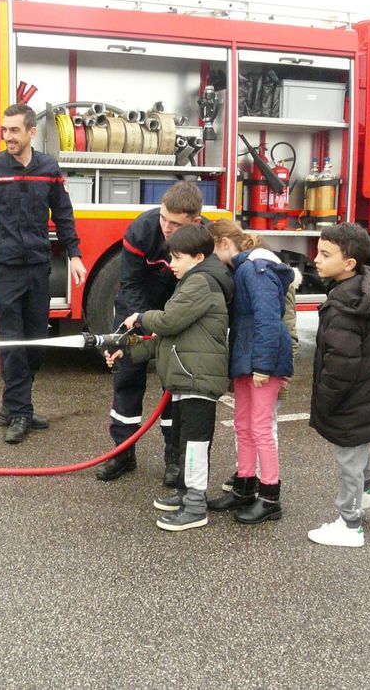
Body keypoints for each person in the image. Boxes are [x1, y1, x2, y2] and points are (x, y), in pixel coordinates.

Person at [0, 103, 87, 444]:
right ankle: (20, 412)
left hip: (37, 266)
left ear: (32, 132)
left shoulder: (48, 167)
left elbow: (63, 214)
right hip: (4, 268)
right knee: (14, 343)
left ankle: (12, 405)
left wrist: (75, 254)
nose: (8, 137)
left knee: (36, 343)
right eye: (5, 131)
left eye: (15, 130)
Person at [104, 225, 233, 531]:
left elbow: (168, 321)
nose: (170, 264)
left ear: (199, 256)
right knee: (182, 439)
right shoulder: (193, 279)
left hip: (197, 378)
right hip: (187, 375)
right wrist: (129, 352)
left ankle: (195, 506)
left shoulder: (200, 281)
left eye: (176, 257)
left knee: (195, 444)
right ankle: (186, 493)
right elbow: (170, 334)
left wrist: (141, 317)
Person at [95, 181, 205, 483]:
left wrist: (170, 323)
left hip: (178, 315)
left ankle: (173, 457)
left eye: (176, 223)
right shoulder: (141, 230)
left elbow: (204, 285)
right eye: (164, 218)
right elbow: (130, 285)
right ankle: (123, 452)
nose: (167, 227)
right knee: (127, 378)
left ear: (195, 222)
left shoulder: (202, 239)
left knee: (175, 384)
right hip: (136, 310)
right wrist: (145, 325)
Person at [307, 222, 370, 548]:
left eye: (325, 254)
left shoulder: (344, 309)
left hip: (351, 399)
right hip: (367, 394)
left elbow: (341, 367)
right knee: (360, 447)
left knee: (349, 459)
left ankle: (349, 524)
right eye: (318, 251)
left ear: (349, 264)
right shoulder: (365, 290)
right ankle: (368, 491)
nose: (316, 259)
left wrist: (325, 402)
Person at [208, 219, 294, 523]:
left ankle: (270, 496)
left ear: (224, 244)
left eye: (213, 251)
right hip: (249, 356)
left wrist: (262, 365)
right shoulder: (249, 267)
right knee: (243, 424)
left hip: (260, 360)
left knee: (258, 427)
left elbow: (268, 318)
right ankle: (244, 487)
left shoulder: (254, 269)